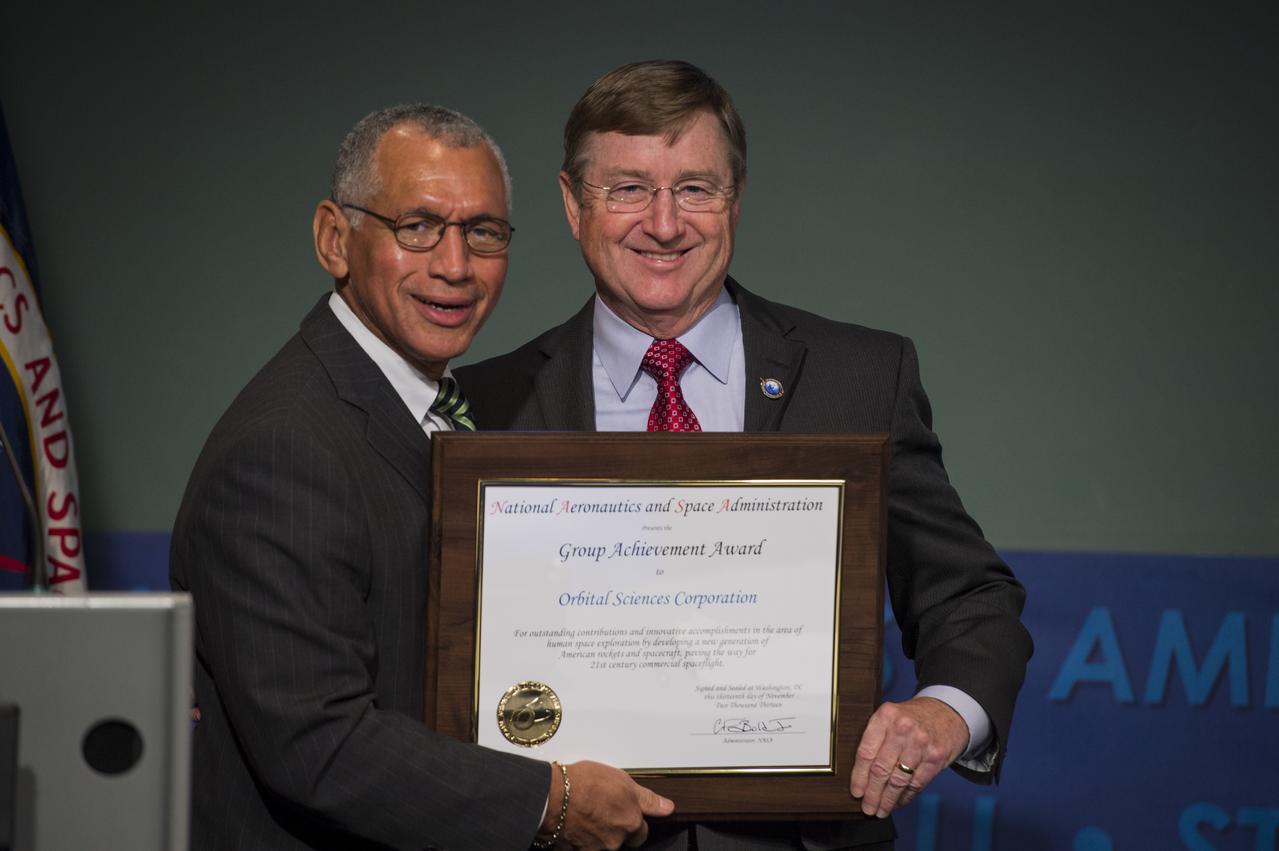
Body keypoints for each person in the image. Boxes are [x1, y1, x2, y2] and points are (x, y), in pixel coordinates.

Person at [455, 61, 1034, 850]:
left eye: (695, 188)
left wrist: (944, 712)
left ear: (736, 201)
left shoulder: (858, 377)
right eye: (627, 188)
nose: (664, 224)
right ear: (571, 204)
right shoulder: (483, 406)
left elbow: (970, 597)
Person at [171, 104, 672, 850]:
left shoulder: (443, 410)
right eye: (418, 226)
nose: (454, 265)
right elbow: (320, 745)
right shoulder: (283, 448)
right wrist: (551, 800)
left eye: (483, 232)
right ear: (334, 239)